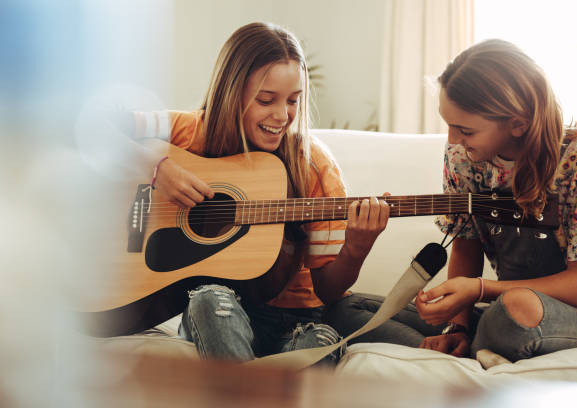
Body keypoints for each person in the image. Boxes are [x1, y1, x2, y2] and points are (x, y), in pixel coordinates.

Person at [323, 39, 577, 362]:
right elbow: (465, 244)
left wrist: (479, 290)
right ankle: (464, 348)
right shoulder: (464, 157)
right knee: (348, 308)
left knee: (515, 308)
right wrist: (456, 326)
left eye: (465, 130)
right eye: (448, 126)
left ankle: (476, 344)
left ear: (517, 123)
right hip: (497, 308)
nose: (452, 140)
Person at [127, 22, 389, 363]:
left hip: (298, 322)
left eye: (293, 101)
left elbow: (327, 289)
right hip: (217, 308)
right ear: (231, 91)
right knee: (208, 300)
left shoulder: (312, 166)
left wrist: (357, 247)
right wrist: (158, 167)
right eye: (266, 100)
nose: (282, 116)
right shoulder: (191, 132)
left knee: (322, 343)